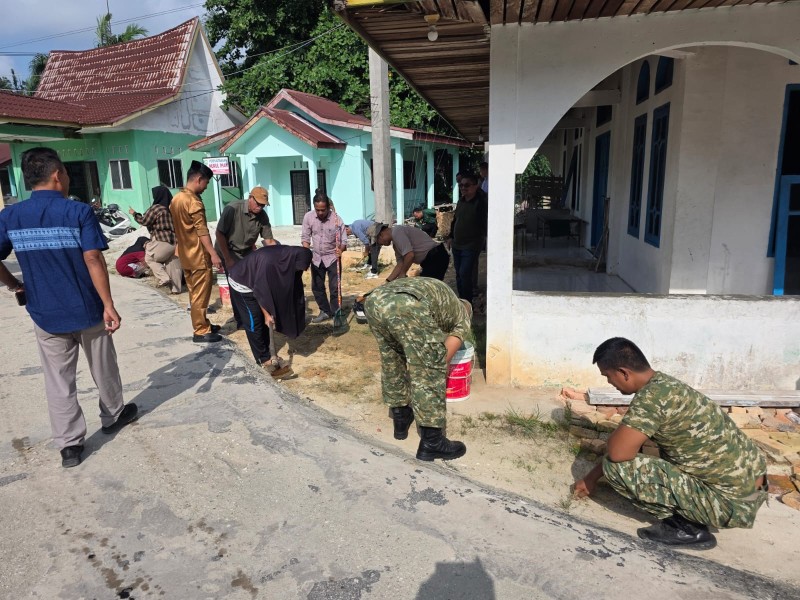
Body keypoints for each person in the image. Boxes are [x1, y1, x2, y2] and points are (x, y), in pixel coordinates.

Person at [0, 147, 138, 468]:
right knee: (103, 366)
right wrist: (109, 304)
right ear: (57, 175)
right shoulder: (77, 212)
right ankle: (113, 415)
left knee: (58, 380)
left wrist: (14, 285)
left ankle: (70, 445)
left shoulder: (10, 216)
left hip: (45, 314)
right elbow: (92, 258)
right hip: (87, 309)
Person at [574, 337, 768, 550]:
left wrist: (592, 476)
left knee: (616, 468)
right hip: (753, 489)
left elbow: (618, 454)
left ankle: (687, 529)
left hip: (731, 505)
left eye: (608, 376)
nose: (609, 383)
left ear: (623, 373)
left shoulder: (652, 398)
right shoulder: (667, 384)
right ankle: (697, 508)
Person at [364, 277, 471, 461]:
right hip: (406, 306)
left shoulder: (440, 295)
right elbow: (441, 360)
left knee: (392, 358)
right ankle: (432, 441)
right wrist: (433, 368)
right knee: (429, 367)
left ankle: (401, 416)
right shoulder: (462, 316)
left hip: (375, 301)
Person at [227, 245, 312, 378]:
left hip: (256, 281)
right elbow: (259, 291)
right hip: (242, 282)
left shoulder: (286, 258)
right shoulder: (270, 263)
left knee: (264, 322)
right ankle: (263, 360)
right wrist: (267, 314)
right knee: (255, 322)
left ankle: (269, 354)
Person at [170, 160, 223, 343]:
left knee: (194, 292)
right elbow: (202, 230)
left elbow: (177, 228)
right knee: (201, 294)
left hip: (185, 254)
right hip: (198, 256)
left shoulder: (176, 199)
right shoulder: (193, 201)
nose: (206, 188)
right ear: (199, 179)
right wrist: (213, 254)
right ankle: (200, 330)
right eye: (206, 183)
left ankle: (203, 323)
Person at [215, 186, 276, 328]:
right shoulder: (232, 208)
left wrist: (279, 257)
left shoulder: (262, 216)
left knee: (252, 283)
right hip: (227, 250)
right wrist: (228, 259)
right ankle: (241, 319)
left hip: (246, 251)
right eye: (258, 204)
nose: (260, 208)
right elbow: (219, 233)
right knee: (237, 284)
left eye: (263, 205)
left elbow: (269, 241)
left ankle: (253, 314)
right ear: (250, 198)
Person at [301, 193, 347, 323]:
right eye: (318, 210)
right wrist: (305, 253)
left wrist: (341, 249)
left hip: (333, 258)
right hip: (316, 258)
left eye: (323, 210)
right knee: (317, 287)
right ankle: (325, 311)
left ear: (328, 207)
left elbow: (344, 240)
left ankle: (336, 313)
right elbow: (305, 237)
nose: (320, 212)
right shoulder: (308, 217)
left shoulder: (337, 220)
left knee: (335, 288)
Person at [128, 185, 182, 294]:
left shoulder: (156, 208)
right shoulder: (173, 208)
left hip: (161, 239)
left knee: (150, 258)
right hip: (175, 241)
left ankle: (164, 278)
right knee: (173, 264)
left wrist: (134, 213)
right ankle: (176, 290)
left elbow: (144, 221)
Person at [447, 172, 487, 305]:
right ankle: (462, 301)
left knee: (465, 274)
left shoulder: (481, 202)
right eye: (461, 185)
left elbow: (485, 223)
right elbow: (455, 220)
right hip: (457, 244)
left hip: (471, 245)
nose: (463, 188)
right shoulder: (461, 201)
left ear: (475, 186)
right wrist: (450, 237)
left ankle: (467, 303)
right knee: (458, 275)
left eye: (467, 185)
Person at [370, 223, 449, 281]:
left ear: (381, 234)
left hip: (436, 257)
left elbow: (410, 255)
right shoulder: (396, 243)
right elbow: (400, 264)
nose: (381, 244)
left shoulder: (397, 231)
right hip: (431, 260)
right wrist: (388, 281)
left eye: (378, 241)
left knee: (428, 289)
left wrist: (402, 273)